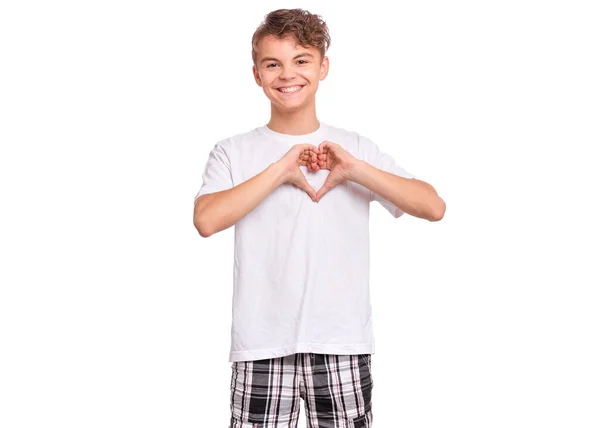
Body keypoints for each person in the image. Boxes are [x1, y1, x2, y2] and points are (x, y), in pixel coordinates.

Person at [193, 8, 446, 428]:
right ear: (256, 74)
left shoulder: (353, 147)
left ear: (323, 66)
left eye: (301, 60)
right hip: (261, 345)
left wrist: (354, 170)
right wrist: (281, 171)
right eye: (272, 63)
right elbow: (206, 220)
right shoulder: (231, 151)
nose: (287, 74)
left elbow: (433, 207)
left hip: (342, 340)